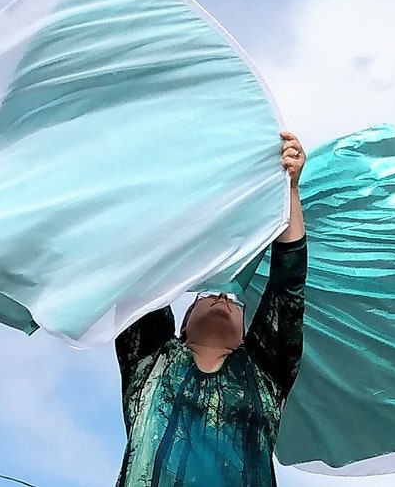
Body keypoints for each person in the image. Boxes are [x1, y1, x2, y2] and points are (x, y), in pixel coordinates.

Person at [114, 132, 308, 487]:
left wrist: (289, 189)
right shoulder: (150, 361)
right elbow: (142, 268)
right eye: (210, 294)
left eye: (236, 302)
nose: (224, 299)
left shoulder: (264, 374)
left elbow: (288, 285)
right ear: (182, 326)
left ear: (248, 334)